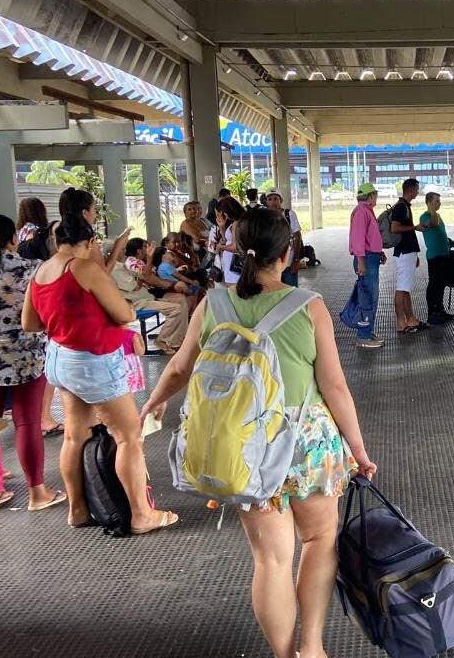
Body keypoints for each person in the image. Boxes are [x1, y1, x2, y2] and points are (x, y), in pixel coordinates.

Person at [140, 208, 377, 658]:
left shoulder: (214, 302)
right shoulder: (308, 308)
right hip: (306, 440)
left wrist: (153, 401)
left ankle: (284, 655)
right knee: (318, 541)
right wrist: (358, 450)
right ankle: (312, 648)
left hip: (244, 443)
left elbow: (178, 367)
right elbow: (334, 387)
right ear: (287, 253)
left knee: (270, 560)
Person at [22, 215, 177, 534]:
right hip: (92, 362)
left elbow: (30, 323)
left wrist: (65, 320)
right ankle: (141, 514)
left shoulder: (41, 270)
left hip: (60, 358)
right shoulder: (84, 268)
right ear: (90, 242)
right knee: (129, 436)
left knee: (74, 435)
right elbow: (123, 312)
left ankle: (77, 510)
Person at [0, 214, 64, 512]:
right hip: (25, 354)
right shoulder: (32, 269)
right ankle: (37, 492)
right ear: (13, 239)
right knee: (27, 422)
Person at [113, 238, 190, 354]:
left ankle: (178, 339)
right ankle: (163, 340)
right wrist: (170, 284)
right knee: (176, 309)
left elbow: (145, 277)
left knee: (181, 299)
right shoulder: (123, 266)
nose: (124, 252)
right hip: (140, 301)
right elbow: (140, 283)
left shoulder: (123, 265)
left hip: (148, 295)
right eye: (121, 249)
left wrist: (144, 273)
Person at [348, 183, 385, 349]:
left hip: (371, 256)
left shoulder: (366, 211)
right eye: (375, 195)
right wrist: (361, 260)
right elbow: (358, 238)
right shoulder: (362, 212)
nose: (376, 198)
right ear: (371, 196)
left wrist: (379, 252)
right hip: (366, 259)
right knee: (367, 297)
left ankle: (368, 331)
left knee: (372, 296)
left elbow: (370, 238)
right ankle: (363, 336)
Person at [58, 187, 129, 272]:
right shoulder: (85, 239)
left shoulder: (59, 234)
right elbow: (103, 273)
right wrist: (118, 246)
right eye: (94, 210)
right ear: (84, 213)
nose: (96, 215)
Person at [388, 178, 426, 334]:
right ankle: (400, 322)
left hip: (408, 252)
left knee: (406, 288)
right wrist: (414, 227)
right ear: (411, 190)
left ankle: (410, 319)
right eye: (417, 189)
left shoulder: (404, 206)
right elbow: (394, 228)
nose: (418, 192)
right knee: (401, 288)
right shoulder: (401, 207)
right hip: (404, 253)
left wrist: (414, 254)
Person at [417, 191, 454, 325]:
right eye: (436, 201)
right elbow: (432, 224)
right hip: (434, 256)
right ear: (429, 203)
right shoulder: (425, 216)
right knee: (434, 284)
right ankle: (432, 312)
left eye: (439, 201)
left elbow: (439, 232)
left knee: (441, 284)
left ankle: (440, 309)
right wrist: (432, 210)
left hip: (444, 254)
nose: (439, 203)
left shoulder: (438, 215)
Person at [264, 191, 303, 287]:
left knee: (292, 291)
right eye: (270, 199)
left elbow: (297, 236)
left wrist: (296, 259)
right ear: (266, 202)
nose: (273, 202)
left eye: (276, 199)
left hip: (289, 263)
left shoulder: (289, 214)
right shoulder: (264, 217)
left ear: (281, 200)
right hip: (271, 265)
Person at [212, 196, 247, 286]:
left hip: (234, 264)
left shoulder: (237, 223)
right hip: (231, 263)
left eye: (219, 214)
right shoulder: (238, 222)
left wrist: (220, 247)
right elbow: (228, 240)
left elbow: (235, 247)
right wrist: (222, 227)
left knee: (233, 291)